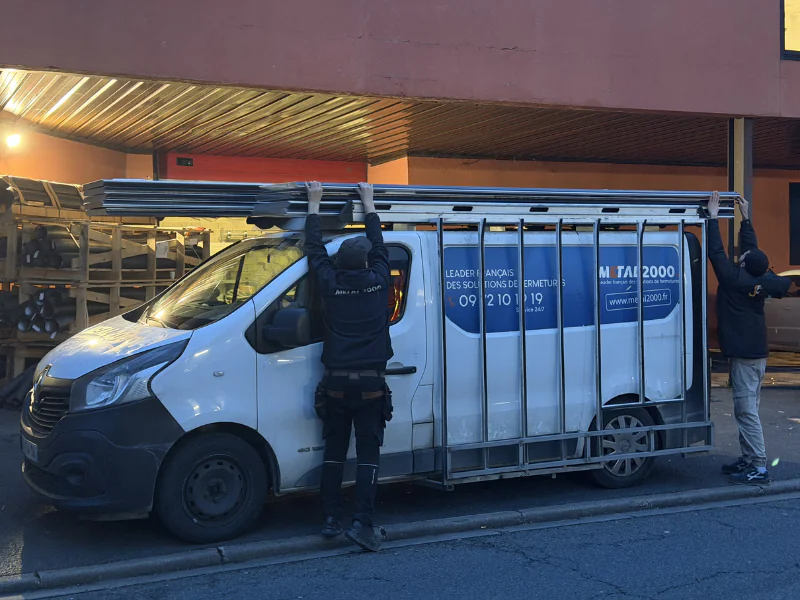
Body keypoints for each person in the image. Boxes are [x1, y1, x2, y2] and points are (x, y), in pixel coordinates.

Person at [304, 180, 393, 552]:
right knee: (368, 456)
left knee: (335, 452)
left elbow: (313, 249)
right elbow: (380, 244)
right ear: (368, 262)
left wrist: (314, 203)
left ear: (339, 263)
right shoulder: (380, 282)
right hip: (372, 387)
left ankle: (329, 519)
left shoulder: (329, 284)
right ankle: (363, 523)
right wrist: (368, 202)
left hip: (336, 386)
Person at [706, 191, 791, 485]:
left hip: (745, 357)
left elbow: (716, 253)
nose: (738, 256)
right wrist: (746, 219)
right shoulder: (756, 280)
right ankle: (748, 458)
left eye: (740, 257)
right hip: (757, 354)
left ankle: (758, 466)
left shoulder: (733, 280)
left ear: (742, 265)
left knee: (746, 412)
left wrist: (713, 217)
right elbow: (752, 252)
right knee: (748, 409)